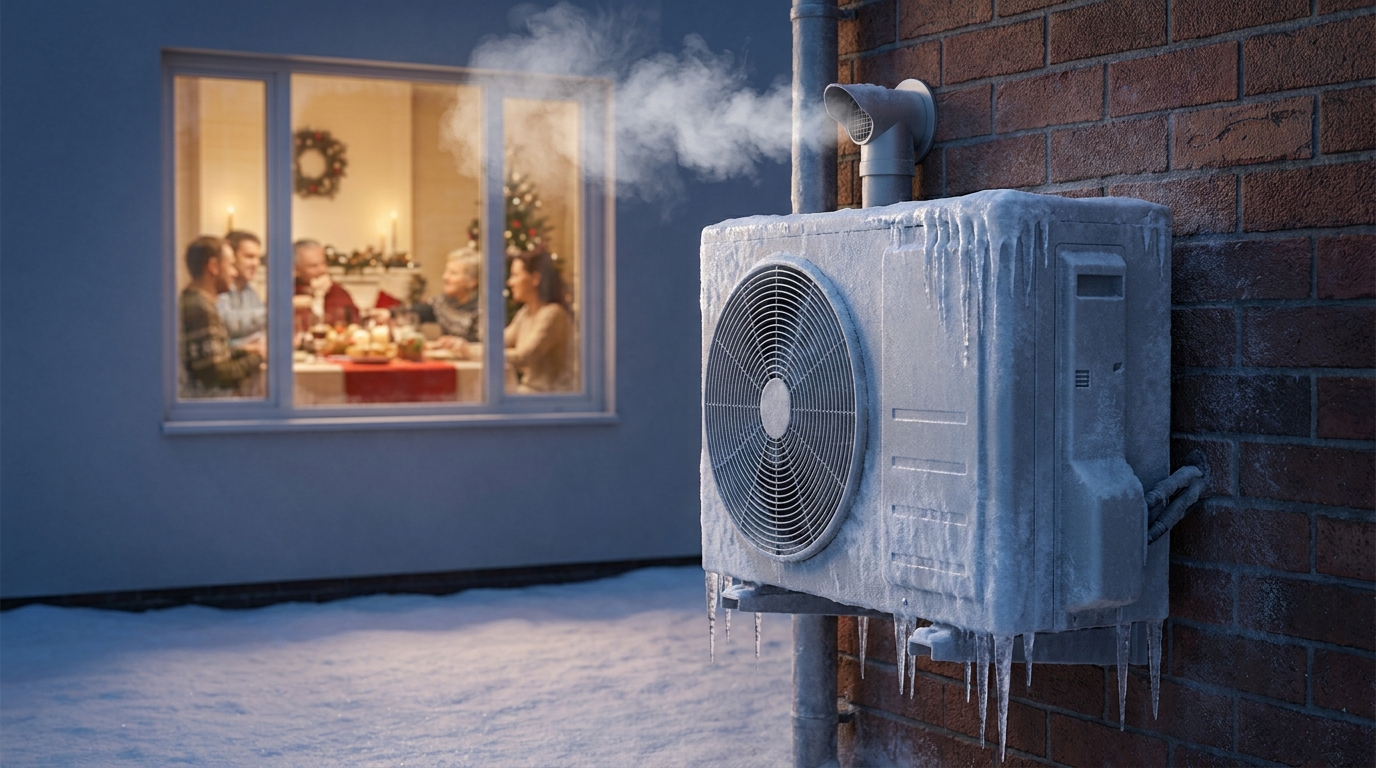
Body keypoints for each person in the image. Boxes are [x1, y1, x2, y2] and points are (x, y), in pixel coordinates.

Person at [180, 236, 265, 397]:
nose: (234, 272)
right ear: (213, 266)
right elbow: (217, 375)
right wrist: (258, 357)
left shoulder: (197, 301)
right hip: (209, 406)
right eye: (231, 265)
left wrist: (242, 351)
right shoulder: (199, 309)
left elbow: (210, 358)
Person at [504, 250, 576, 393]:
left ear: (535, 279)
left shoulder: (553, 314)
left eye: (515, 275)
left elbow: (523, 357)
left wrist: (467, 350)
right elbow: (499, 342)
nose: (510, 282)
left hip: (551, 397)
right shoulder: (525, 312)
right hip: (530, 393)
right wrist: (463, 348)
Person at [406, 249, 482, 358]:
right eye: (447, 272)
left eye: (453, 273)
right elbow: (422, 310)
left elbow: (485, 343)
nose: (445, 277)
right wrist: (389, 313)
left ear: (472, 281)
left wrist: (463, 345)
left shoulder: (483, 308)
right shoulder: (446, 301)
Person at [216, 230, 266, 349]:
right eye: (249, 257)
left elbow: (261, 330)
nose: (256, 263)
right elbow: (228, 324)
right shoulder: (219, 287)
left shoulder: (249, 290)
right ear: (231, 257)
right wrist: (275, 312)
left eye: (258, 258)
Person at [293, 238, 359, 325]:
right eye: (313, 266)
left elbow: (355, 323)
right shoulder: (289, 293)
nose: (323, 270)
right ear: (296, 269)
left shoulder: (338, 292)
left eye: (324, 263)